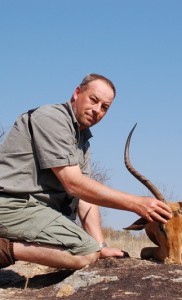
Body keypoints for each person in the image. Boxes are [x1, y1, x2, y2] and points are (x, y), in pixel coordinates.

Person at [0, 73, 172, 270]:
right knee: (85, 252)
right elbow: (73, 183)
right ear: (77, 93)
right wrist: (136, 203)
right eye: (94, 100)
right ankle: (4, 249)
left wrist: (101, 246)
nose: (97, 110)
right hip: (11, 205)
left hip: (33, 211)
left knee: (93, 250)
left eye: (105, 107)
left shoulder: (82, 140)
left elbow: (86, 198)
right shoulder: (51, 118)